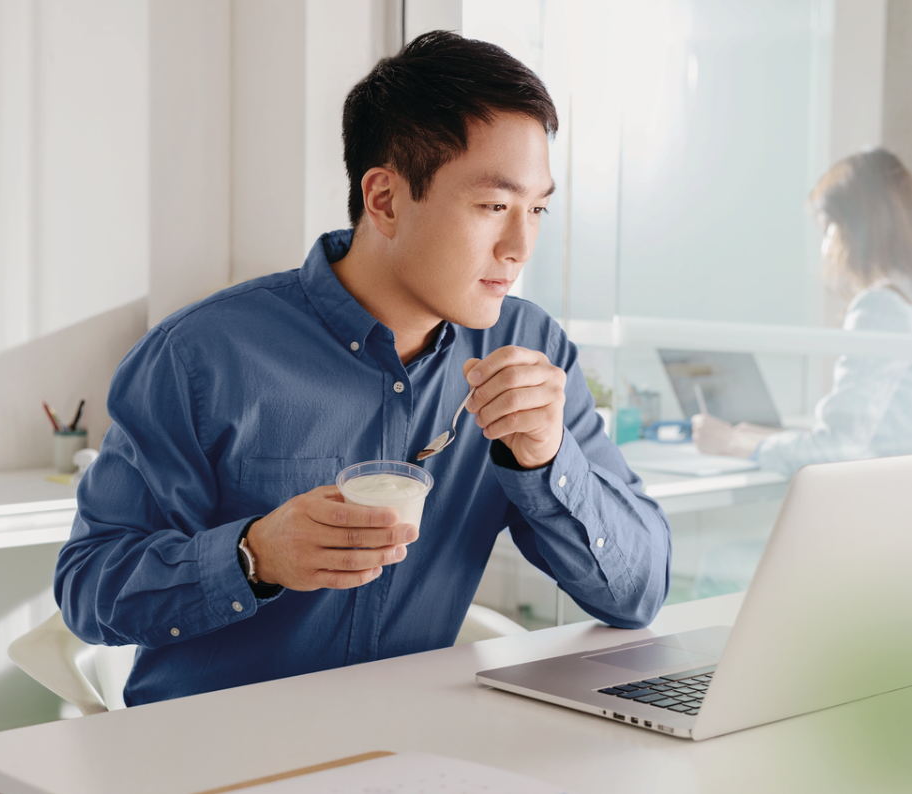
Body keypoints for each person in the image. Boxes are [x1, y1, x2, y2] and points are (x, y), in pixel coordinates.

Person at [55, 31, 672, 707]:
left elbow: (636, 595)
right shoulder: (200, 356)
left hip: (410, 749)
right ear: (383, 199)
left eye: (536, 209)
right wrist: (252, 557)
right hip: (217, 756)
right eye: (493, 207)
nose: (520, 246)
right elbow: (90, 591)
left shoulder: (528, 350)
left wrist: (547, 460)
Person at [694, 149, 912, 476]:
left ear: (856, 227)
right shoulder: (902, 298)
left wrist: (732, 444)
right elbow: (868, 437)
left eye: (827, 228)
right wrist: (756, 437)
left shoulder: (880, 307)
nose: (825, 247)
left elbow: (838, 449)